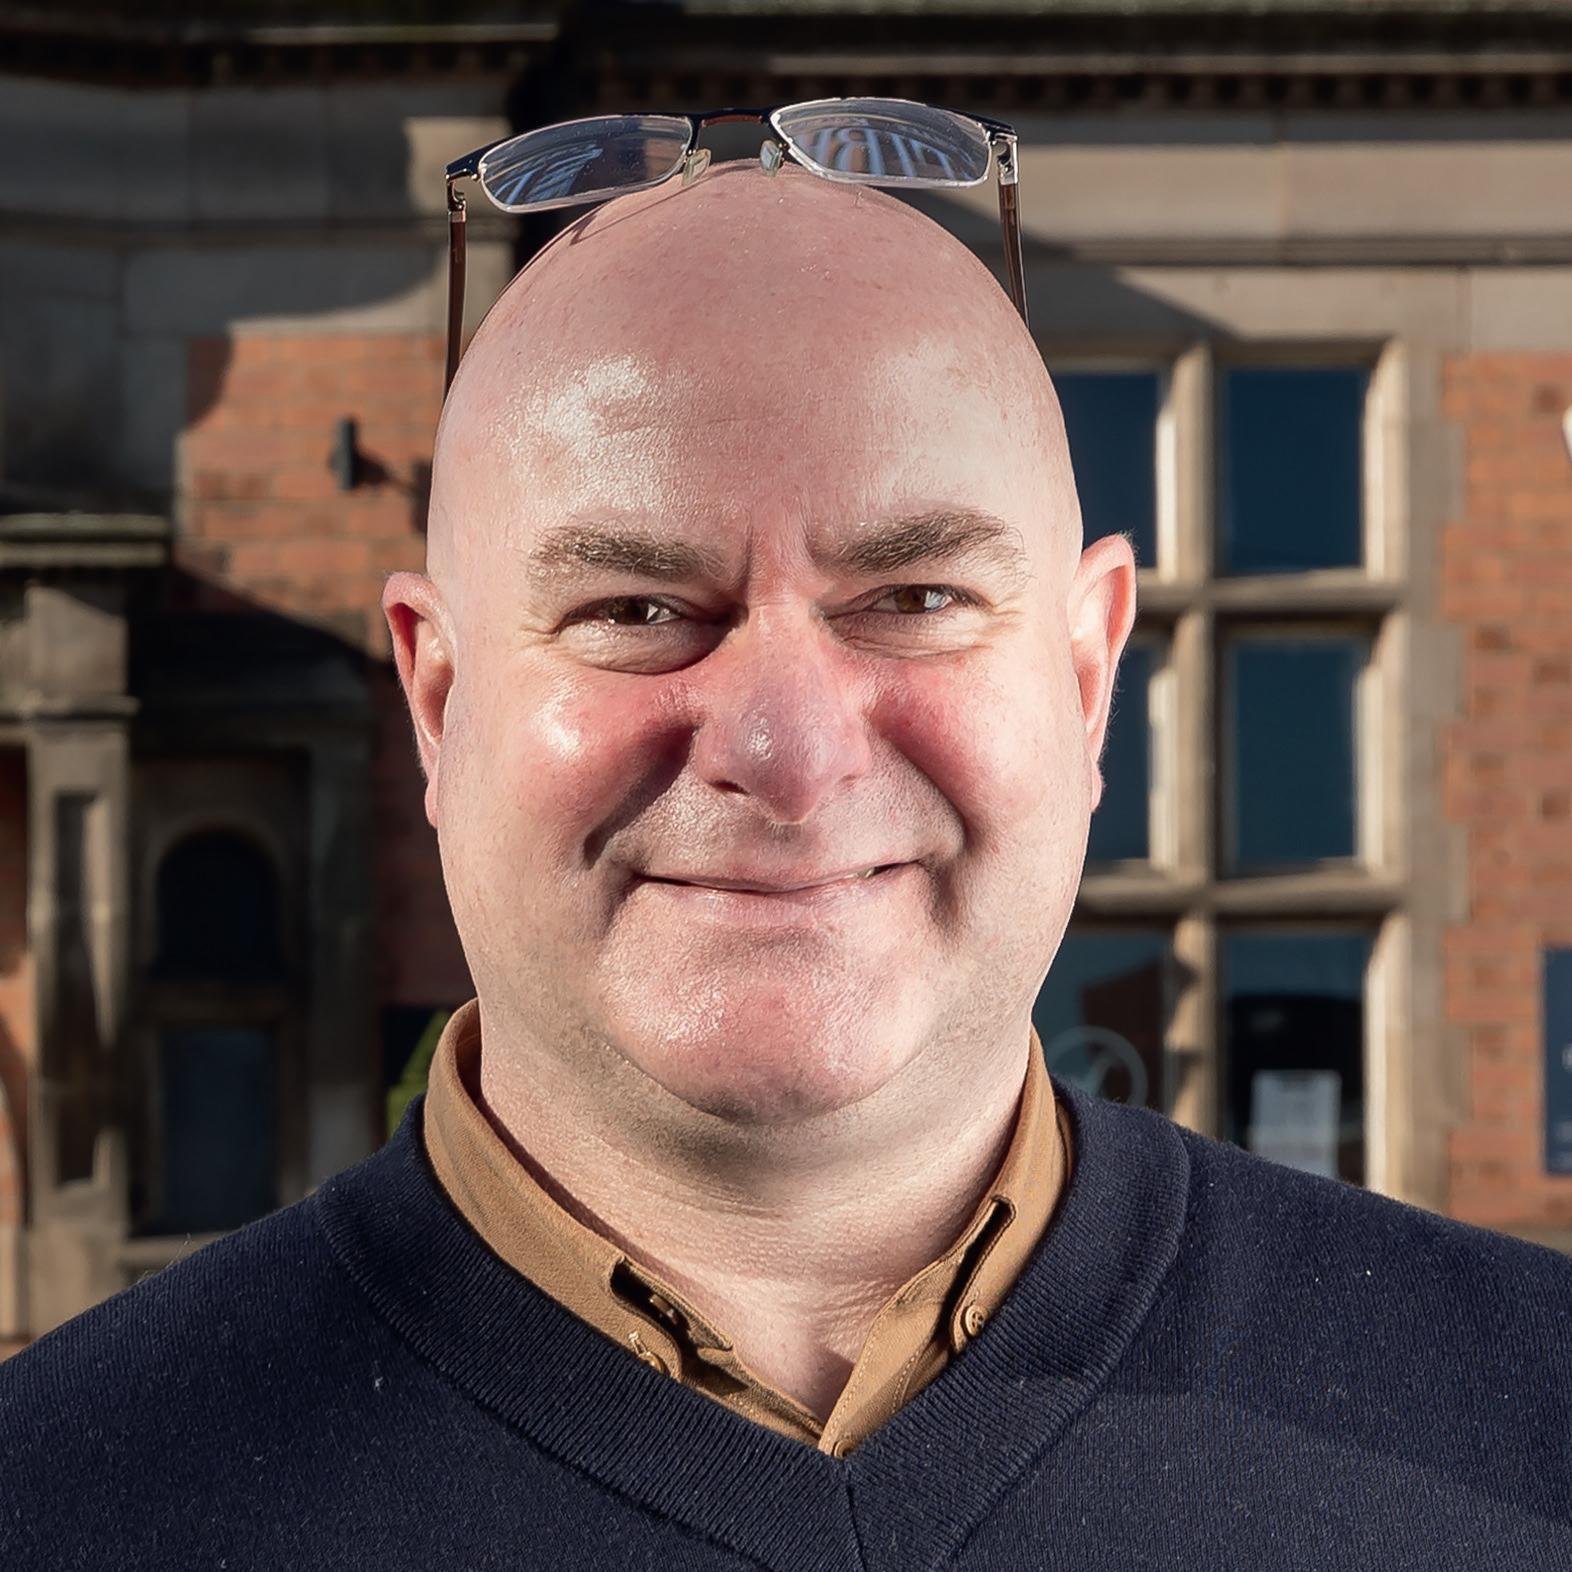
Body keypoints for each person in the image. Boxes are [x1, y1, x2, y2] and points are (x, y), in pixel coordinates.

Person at [4, 159, 1570, 1572]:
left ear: (1089, 680)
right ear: (440, 698)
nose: (788, 747)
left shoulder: (1533, 1422)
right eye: (636, 610)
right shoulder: (62, 1502)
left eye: (914, 597)